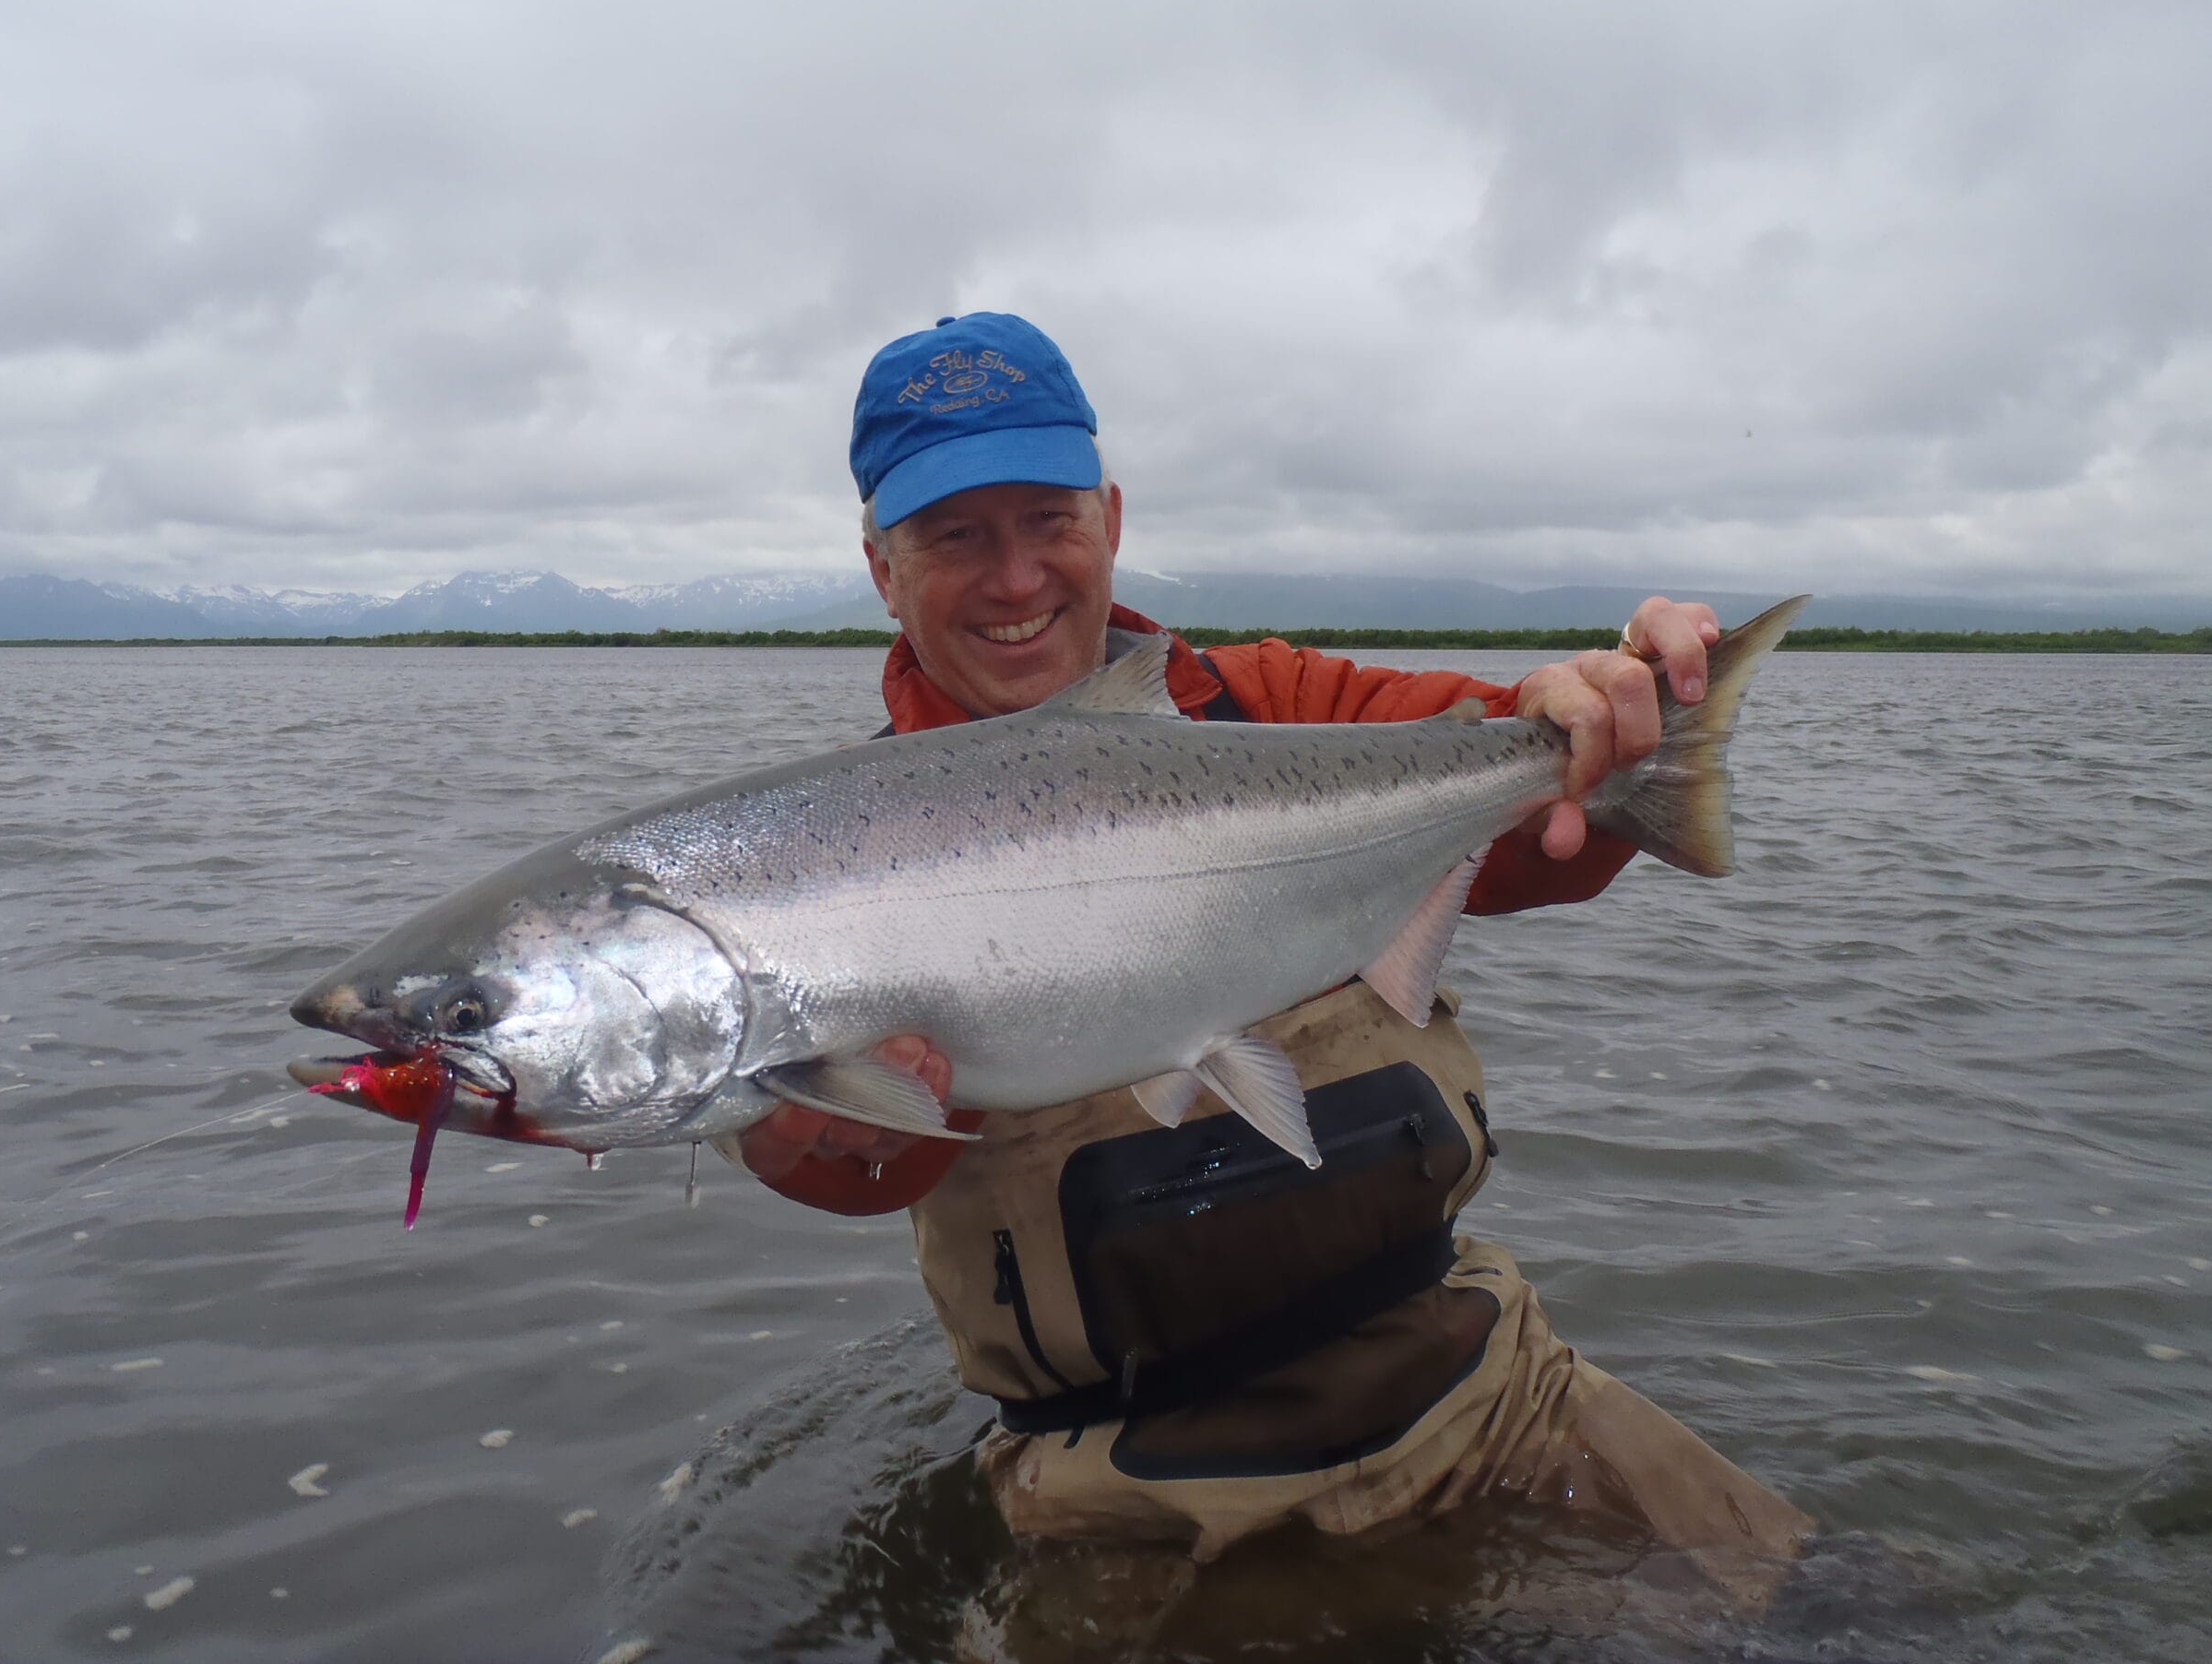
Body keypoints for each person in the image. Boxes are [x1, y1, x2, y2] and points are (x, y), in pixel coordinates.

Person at [731, 312, 1810, 1610]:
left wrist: (1609, 719)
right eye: (956, 536)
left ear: (1112, 521)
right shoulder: (827, 863)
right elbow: (871, 1166)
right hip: (1127, 1501)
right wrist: (813, 1139)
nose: (1016, 580)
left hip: (1491, 1392)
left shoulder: (1275, 706)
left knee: (1857, 1622)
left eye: (1048, 522)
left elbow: (1529, 827)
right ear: (879, 566)